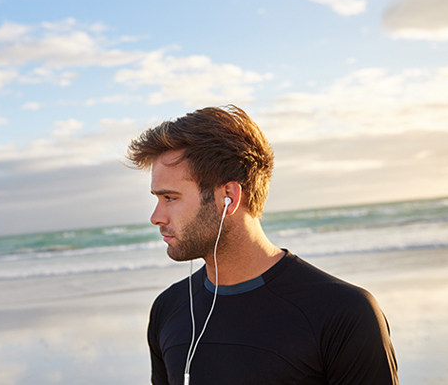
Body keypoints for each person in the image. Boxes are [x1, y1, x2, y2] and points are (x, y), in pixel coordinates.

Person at [127, 105, 398, 384]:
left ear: (229, 197)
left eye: (170, 198)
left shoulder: (343, 313)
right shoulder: (168, 309)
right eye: (157, 199)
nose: (156, 217)